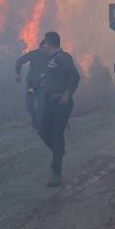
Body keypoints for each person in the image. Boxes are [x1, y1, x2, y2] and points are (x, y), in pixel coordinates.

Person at [37, 31, 80, 187]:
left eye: (45, 44)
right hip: (51, 102)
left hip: (62, 103)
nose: (44, 47)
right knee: (42, 129)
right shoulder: (53, 60)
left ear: (49, 44)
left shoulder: (63, 57)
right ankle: (59, 151)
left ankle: (56, 173)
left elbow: (75, 75)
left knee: (56, 134)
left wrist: (67, 94)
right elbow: (55, 77)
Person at [15, 39, 50, 130]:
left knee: (41, 105)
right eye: (45, 47)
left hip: (42, 86)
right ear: (41, 47)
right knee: (29, 105)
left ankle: (39, 125)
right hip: (32, 86)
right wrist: (18, 73)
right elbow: (19, 61)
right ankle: (37, 120)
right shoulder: (33, 54)